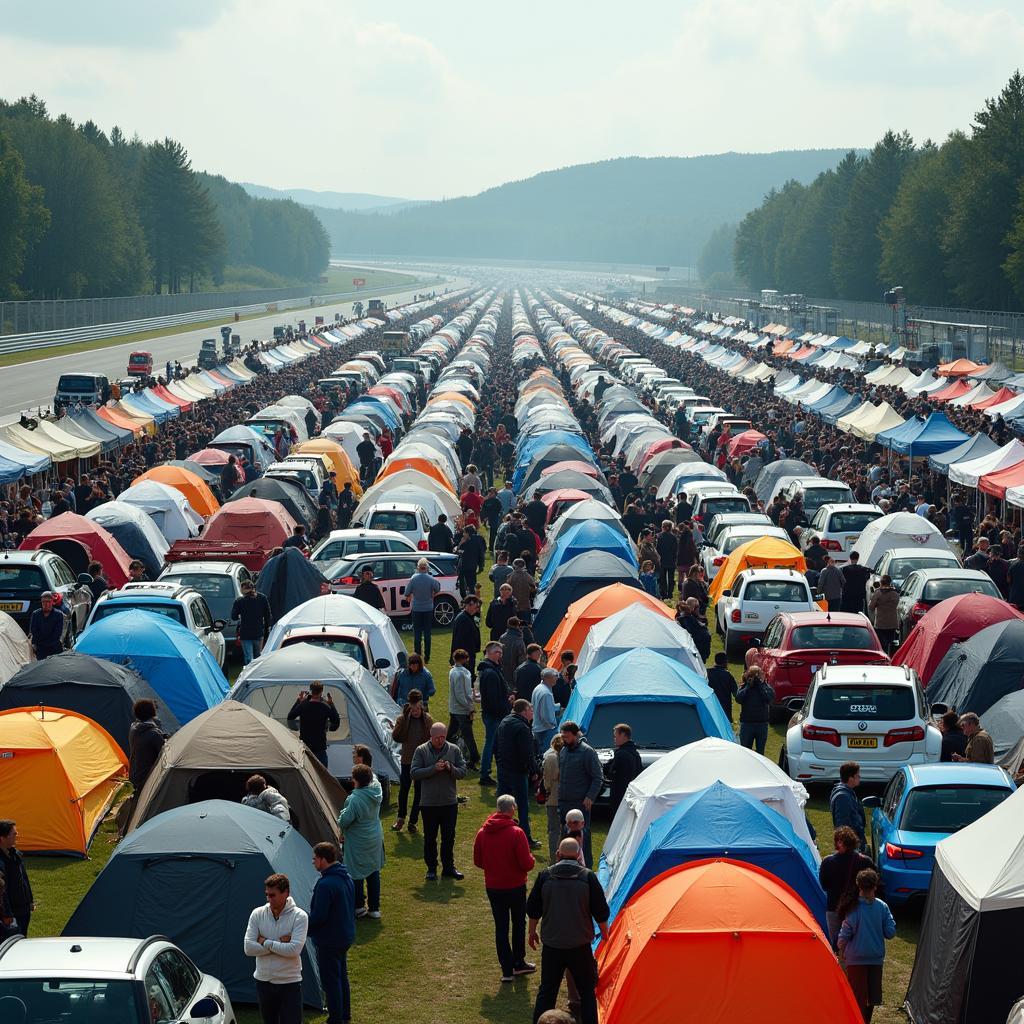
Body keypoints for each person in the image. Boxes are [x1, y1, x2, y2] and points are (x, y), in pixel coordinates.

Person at [527, 837, 610, 1024]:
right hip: (580, 947)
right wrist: (605, 934)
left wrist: (532, 932)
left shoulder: (544, 876)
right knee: (587, 992)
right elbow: (601, 911)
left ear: (558, 854)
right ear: (579, 854)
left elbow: (533, 909)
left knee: (547, 991)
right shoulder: (588, 877)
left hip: (552, 946)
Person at [473, 794, 537, 983]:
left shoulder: (482, 832)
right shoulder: (516, 832)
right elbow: (526, 863)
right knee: (518, 924)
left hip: (493, 887)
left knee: (501, 927)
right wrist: (531, 858)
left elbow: (478, 861)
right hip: (515, 886)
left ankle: (506, 970)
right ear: (511, 809)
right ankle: (519, 963)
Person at [244, 873, 309, 1024]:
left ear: (286, 893)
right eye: (267, 894)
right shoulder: (257, 914)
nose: (268, 899)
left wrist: (264, 941)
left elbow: (294, 950)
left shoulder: (300, 917)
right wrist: (279, 944)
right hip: (263, 982)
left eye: (272, 895)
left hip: (289, 983)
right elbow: (248, 948)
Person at [838, 869, 896, 1023]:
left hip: (856, 960)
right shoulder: (882, 907)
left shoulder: (853, 908)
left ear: (859, 886)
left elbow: (844, 934)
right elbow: (890, 932)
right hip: (875, 959)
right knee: (872, 997)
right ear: (875, 886)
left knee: (857, 997)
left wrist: (841, 950)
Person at [410, 722, 467, 881]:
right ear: (431, 736)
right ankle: (431, 868)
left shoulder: (454, 750)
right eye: (437, 738)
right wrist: (433, 769)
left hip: (449, 802)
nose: (440, 740)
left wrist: (451, 769)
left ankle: (449, 867)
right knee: (430, 838)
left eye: (443, 737)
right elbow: (414, 773)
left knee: (449, 837)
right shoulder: (421, 751)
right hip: (429, 804)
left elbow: (463, 771)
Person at [308, 842, 355, 1024]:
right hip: (344, 935)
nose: (313, 862)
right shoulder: (346, 876)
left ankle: (335, 1018)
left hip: (329, 939)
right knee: (342, 978)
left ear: (322, 859)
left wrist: (302, 920)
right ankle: (345, 1014)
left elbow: (319, 916)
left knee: (331, 982)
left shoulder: (326, 884)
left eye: (314, 859)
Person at [337, 764, 385, 920]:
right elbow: (375, 777)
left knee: (355, 873)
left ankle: (359, 907)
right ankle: (374, 908)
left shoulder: (355, 799)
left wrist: (342, 813)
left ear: (355, 780)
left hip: (358, 840)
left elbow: (344, 821)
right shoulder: (377, 789)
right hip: (375, 837)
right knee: (373, 870)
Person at [494, 699, 540, 849]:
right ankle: (525, 836)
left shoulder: (504, 722)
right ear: (524, 711)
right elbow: (527, 753)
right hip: (518, 771)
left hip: (503, 769)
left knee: (502, 804)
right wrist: (535, 771)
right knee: (522, 805)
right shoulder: (523, 728)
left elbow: (495, 745)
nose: (532, 712)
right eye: (531, 710)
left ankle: (499, 833)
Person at [819, 826, 874, 949]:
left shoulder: (828, 862)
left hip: (834, 907)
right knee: (857, 942)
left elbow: (824, 885)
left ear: (838, 842)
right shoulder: (865, 862)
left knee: (837, 944)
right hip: (858, 907)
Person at [557, 722, 602, 867]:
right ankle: (565, 867)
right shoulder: (563, 751)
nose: (564, 739)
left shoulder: (587, 752)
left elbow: (597, 777)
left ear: (576, 735)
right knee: (565, 839)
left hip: (580, 804)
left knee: (583, 840)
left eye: (567, 737)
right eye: (563, 736)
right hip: (564, 803)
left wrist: (590, 797)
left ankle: (586, 870)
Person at [391, 690, 432, 834]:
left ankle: (413, 821)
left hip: (422, 762)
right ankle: (401, 818)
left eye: (417, 708)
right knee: (404, 790)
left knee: (419, 793)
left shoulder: (427, 719)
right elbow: (396, 736)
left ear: (421, 705)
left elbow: (432, 740)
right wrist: (401, 722)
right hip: (407, 760)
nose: (415, 711)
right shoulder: (403, 718)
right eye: (412, 708)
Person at [287, 682, 340, 768]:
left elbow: (290, 716)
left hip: (305, 746)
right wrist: (331, 704)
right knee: (323, 774)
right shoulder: (324, 707)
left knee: (306, 773)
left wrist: (298, 701)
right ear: (321, 691)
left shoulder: (303, 706)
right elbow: (335, 720)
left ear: (311, 690)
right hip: (320, 746)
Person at [478, 641, 510, 786]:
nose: (500, 655)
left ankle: (493, 772)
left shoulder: (492, 669)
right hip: (494, 715)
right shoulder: (490, 672)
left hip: (493, 714)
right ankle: (485, 774)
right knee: (490, 744)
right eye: (497, 652)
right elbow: (492, 698)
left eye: (501, 652)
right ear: (489, 653)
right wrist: (505, 706)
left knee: (494, 744)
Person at [448, 648, 479, 769]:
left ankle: (443, 751)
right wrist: (470, 707)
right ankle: (474, 757)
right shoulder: (462, 673)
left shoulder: (453, 671)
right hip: (462, 710)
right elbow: (461, 694)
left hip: (454, 708)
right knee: (468, 735)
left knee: (451, 733)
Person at [403, 558, 440, 660]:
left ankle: (418, 655)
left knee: (417, 634)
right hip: (428, 608)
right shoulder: (431, 579)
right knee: (427, 633)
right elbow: (437, 588)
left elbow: (406, 592)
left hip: (416, 608)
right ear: (427, 568)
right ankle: (427, 656)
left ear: (418, 568)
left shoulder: (413, 579)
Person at [0, 821, 33, 937]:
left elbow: (24, 878)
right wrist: (7, 914)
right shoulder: (1, 862)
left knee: (23, 938)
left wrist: (29, 901)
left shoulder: (15, 855)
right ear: (3, 838)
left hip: (23, 909)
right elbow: (2, 891)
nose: (17, 835)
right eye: (13, 833)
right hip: (12, 914)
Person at [128, 698, 166, 793]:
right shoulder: (154, 734)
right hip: (147, 779)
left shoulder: (133, 729)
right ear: (153, 712)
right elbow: (165, 755)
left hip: (134, 775)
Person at [231, 579, 273, 665]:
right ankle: (257, 675)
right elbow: (268, 616)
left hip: (245, 633)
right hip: (258, 632)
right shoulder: (262, 598)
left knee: (249, 658)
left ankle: (248, 675)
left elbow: (233, 617)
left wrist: (240, 615)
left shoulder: (240, 601)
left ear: (244, 589)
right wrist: (266, 630)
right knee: (258, 656)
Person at [607, 723, 643, 818]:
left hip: (619, 793)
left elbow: (612, 773)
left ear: (623, 735)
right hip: (632, 793)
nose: (614, 739)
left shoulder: (621, 754)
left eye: (616, 736)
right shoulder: (636, 754)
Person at [736, 666, 774, 754]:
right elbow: (738, 698)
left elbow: (769, 699)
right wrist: (748, 686)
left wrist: (760, 686)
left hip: (761, 724)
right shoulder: (745, 687)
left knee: (760, 753)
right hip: (747, 724)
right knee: (745, 752)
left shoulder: (765, 687)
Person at [830, 761, 866, 850]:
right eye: (857, 775)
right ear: (850, 778)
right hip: (850, 845)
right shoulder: (843, 797)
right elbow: (842, 825)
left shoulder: (847, 793)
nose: (859, 777)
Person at [542, 735, 564, 861]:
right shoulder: (569, 757)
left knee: (553, 830)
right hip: (566, 798)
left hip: (553, 799)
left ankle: (554, 856)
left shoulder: (550, 758)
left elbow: (547, 781)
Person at [532, 668, 560, 757]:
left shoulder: (538, 688)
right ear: (547, 678)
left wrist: (558, 706)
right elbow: (545, 715)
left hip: (537, 727)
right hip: (545, 729)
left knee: (539, 754)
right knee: (548, 754)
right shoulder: (546, 693)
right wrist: (552, 726)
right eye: (555, 676)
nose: (556, 678)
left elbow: (543, 707)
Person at [867, 574, 899, 653]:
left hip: (880, 623)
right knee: (890, 642)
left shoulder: (878, 593)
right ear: (890, 582)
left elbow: (871, 607)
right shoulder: (895, 593)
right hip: (892, 622)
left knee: (881, 644)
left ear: (881, 583)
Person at [28, 592, 64, 659]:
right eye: (43, 602)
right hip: (40, 647)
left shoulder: (58, 615)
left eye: (48, 601)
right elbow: (34, 631)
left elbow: (57, 633)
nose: (45, 604)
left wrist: (47, 643)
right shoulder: (36, 614)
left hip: (54, 647)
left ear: (52, 602)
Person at [450, 595, 481, 671]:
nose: (477, 609)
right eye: (476, 606)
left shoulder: (470, 617)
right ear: (468, 605)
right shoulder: (463, 619)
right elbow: (459, 640)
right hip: (464, 656)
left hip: (468, 654)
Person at [707, 651, 738, 721]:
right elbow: (736, 694)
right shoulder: (728, 675)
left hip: (710, 707)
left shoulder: (707, 673)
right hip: (724, 710)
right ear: (725, 662)